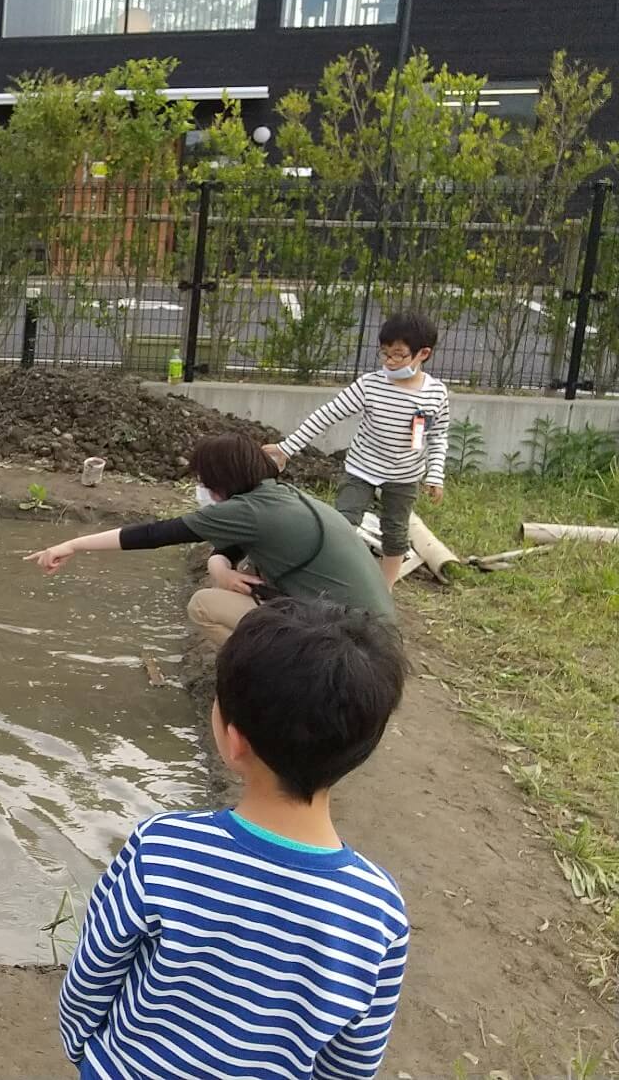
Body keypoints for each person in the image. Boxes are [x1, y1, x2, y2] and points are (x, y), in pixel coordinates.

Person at [59, 598, 409, 1080]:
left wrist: (86, 1054)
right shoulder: (378, 910)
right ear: (362, 748)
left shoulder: (162, 848)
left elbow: (92, 975)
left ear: (233, 739)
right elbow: (352, 1062)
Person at [26, 433, 393, 648]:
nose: (201, 488)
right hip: (376, 630)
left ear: (223, 480)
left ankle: (268, 677)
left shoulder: (244, 511)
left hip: (348, 640)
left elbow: (156, 534)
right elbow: (230, 546)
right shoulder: (276, 495)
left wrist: (73, 545)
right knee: (234, 583)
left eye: (203, 480)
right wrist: (219, 565)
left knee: (203, 604)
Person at [265, 312, 452, 590]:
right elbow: (326, 415)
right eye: (384, 354)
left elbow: (438, 436)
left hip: (405, 475)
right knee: (342, 523)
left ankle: (384, 589)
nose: (389, 362)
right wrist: (286, 448)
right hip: (362, 468)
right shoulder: (370, 385)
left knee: (395, 532)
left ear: (423, 353)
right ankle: (331, 579)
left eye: (398, 355)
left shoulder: (435, 393)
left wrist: (435, 475)